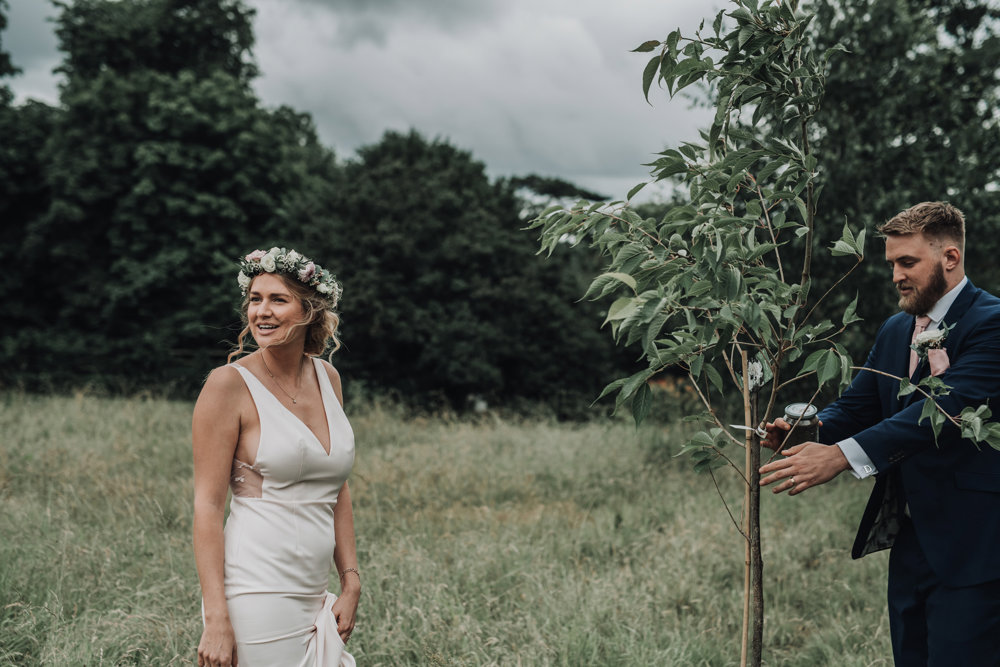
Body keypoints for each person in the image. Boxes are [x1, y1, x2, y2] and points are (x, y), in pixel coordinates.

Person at [759, 202, 1000, 665]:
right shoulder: (895, 330)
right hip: (911, 541)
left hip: (977, 547)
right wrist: (807, 431)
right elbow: (858, 407)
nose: (895, 276)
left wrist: (840, 457)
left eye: (907, 262)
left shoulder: (992, 323)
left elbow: (941, 409)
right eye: (891, 264)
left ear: (950, 258)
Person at [193, 247, 359, 667]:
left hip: (315, 590)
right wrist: (216, 619)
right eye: (255, 299)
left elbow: (336, 486)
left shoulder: (328, 378)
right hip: (256, 589)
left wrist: (351, 580)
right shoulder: (228, 385)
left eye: (277, 300)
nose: (261, 312)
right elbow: (208, 506)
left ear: (310, 310)